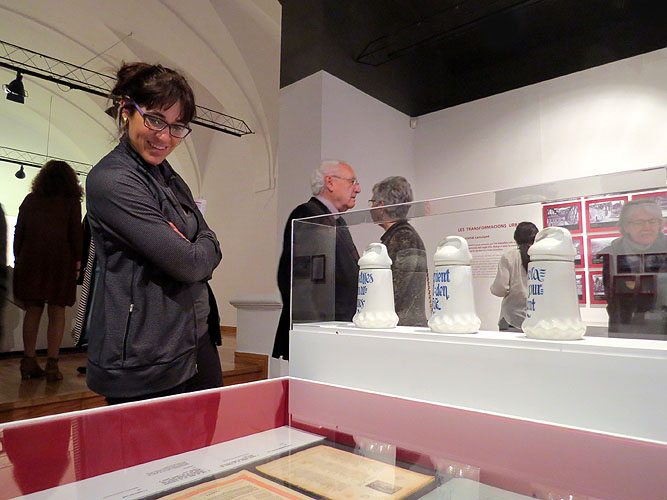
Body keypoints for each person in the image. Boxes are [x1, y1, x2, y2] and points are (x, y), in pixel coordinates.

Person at [85, 62, 223, 403]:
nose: (164, 137)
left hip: (195, 338)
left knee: (210, 437)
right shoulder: (113, 179)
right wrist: (196, 245)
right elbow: (189, 263)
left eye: (177, 126)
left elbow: (208, 241)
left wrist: (200, 243)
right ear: (126, 110)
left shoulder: (169, 176)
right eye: (155, 120)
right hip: (144, 356)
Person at [273, 160, 361, 360]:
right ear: (330, 182)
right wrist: (315, 333)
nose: (358, 189)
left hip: (336, 330)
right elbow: (303, 284)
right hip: (319, 334)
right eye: (352, 182)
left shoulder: (336, 220)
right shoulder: (308, 216)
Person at [13, 160, 83, 381]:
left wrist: (18, 257)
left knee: (32, 310)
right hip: (60, 262)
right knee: (57, 311)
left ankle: (28, 361)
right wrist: (78, 263)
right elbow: (76, 234)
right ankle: (52, 365)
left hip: (31, 261)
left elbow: (19, 231)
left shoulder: (31, 200)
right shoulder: (71, 203)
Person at [601, 199, 667, 339]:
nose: (646, 227)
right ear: (626, 226)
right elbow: (612, 300)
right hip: (625, 330)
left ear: (659, 224)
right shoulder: (612, 254)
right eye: (639, 222)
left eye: (652, 221)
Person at [369, 176, 428, 326]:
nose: (371, 208)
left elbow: (396, 289)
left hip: (402, 326)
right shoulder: (401, 235)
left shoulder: (403, 237)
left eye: (372, 202)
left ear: (381, 206)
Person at [490, 222, 539, 332]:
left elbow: (499, 289)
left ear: (516, 238)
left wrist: (492, 288)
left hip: (511, 317)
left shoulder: (508, 257)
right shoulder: (540, 256)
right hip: (536, 317)